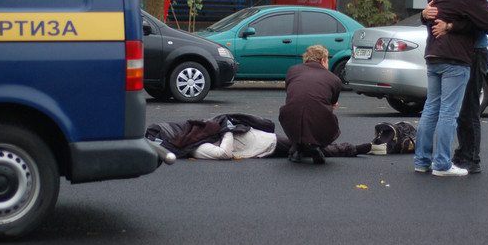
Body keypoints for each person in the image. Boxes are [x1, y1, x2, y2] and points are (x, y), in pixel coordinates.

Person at [415, 0, 488, 177]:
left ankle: (423, 160)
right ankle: (456, 161)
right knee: (457, 110)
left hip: (434, 54)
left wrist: (444, 24)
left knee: (432, 108)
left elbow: (435, 17)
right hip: (461, 55)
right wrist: (439, 21)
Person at [145, 113, 385, 160]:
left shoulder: (193, 133)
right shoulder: (195, 149)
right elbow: (224, 153)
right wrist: (227, 130)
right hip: (266, 146)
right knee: (311, 147)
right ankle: (355, 148)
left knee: (307, 146)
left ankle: (351, 148)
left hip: (260, 138)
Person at [278, 44, 346, 164]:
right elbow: (331, 103)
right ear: (322, 60)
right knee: (322, 115)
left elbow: (291, 94)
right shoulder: (334, 79)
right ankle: (316, 146)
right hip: (319, 120)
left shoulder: (292, 71)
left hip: (290, 119)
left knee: (299, 111)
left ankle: (298, 148)